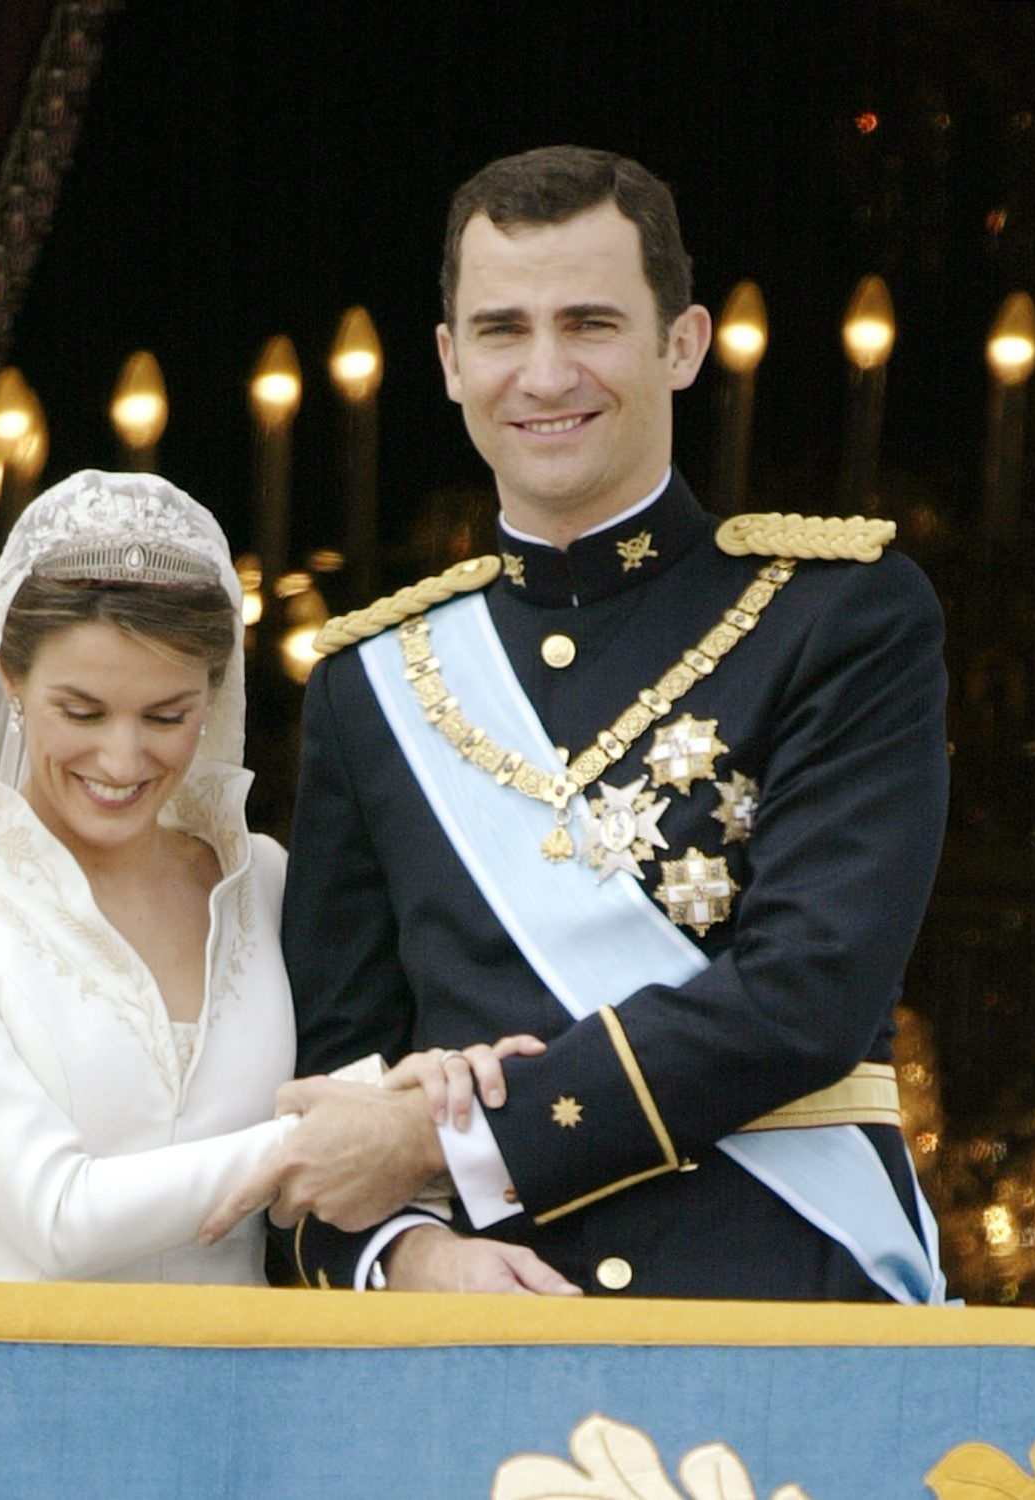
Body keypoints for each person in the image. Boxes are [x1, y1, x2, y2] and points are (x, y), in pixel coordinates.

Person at [204, 146, 951, 1303]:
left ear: (682, 344)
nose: (544, 374)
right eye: (502, 331)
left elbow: (810, 992)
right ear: (450, 363)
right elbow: (333, 1067)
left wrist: (440, 1147)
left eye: (590, 323)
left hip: (775, 1289)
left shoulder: (837, 613)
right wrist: (404, 1256)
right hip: (471, 1326)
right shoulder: (370, 678)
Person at [0, 469, 525, 1284]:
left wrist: (412, 1098)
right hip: (20, 1393)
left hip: (249, 1393)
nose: (122, 759)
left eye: (165, 716)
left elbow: (316, 1131)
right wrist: (353, 1131)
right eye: (83, 712)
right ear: (11, 682)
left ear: (214, 695)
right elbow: (54, 1215)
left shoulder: (262, 880)